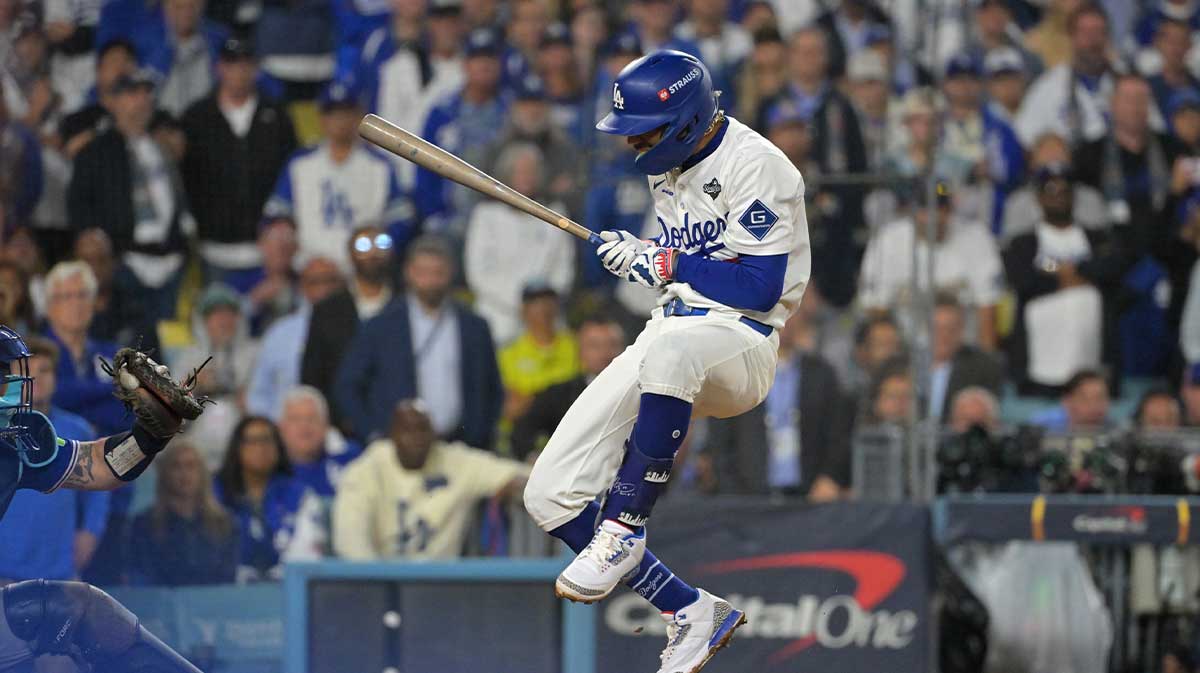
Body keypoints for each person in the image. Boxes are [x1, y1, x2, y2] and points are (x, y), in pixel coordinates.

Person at [524, 50, 810, 672]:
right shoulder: (668, 164)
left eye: (643, 132)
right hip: (672, 335)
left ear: (684, 120)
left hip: (744, 343)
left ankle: (625, 524)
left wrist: (668, 263)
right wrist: (645, 261)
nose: (633, 144)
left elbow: (759, 287)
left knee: (675, 349)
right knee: (549, 496)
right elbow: (679, 272)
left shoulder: (758, 165)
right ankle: (689, 611)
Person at [0, 324, 208, 673]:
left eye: (6, 374)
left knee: (85, 610)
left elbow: (98, 466)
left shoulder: (13, 446)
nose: (11, 386)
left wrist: (150, 434)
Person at [334, 235, 502, 447]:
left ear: (451, 273)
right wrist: (373, 434)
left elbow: (492, 388)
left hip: (462, 446)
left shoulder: (474, 327)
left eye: (438, 273)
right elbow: (348, 385)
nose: (431, 281)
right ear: (409, 273)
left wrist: (481, 434)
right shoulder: (381, 326)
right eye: (423, 273)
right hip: (399, 449)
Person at [66, 67, 193, 325]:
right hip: (124, 265)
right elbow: (78, 202)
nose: (142, 100)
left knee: (167, 350)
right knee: (131, 352)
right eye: (132, 93)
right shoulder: (96, 150)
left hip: (170, 263)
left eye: (146, 92)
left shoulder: (162, 148)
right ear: (114, 101)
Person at [333, 400, 528, 560]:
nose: (416, 438)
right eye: (407, 430)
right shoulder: (365, 470)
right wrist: (378, 586)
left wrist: (515, 484)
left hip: (439, 585)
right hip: (378, 581)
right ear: (392, 435)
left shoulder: (454, 461)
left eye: (423, 430)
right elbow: (350, 543)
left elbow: (521, 477)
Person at [181, 37, 298, 288]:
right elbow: (186, 178)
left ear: (256, 68)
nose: (239, 71)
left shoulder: (277, 116)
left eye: (245, 64)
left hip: (268, 253)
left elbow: (291, 176)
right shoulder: (196, 118)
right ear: (218, 67)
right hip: (215, 250)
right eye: (231, 63)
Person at [263, 79, 415, 271]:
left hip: (364, 270)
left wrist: (379, 245)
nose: (340, 121)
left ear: (358, 116)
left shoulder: (380, 165)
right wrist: (284, 238)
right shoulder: (300, 163)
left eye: (346, 112)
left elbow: (401, 219)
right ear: (321, 119)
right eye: (333, 113)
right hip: (311, 271)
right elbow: (277, 214)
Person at [1003, 163, 1126, 395]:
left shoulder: (1099, 238)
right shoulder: (1023, 243)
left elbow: (1112, 271)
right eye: (1050, 190)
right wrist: (1079, 277)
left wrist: (1059, 272)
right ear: (1038, 198)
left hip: (1092, 364)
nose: (1058, 196)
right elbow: (1024, 280)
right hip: (1039, 369)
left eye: (1065, 190)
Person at [704, 310, 850, 500]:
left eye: (790, 311)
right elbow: (720, 442)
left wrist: (830, 477)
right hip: (748, 500)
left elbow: (838, 434)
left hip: (810, 498)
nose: (782, 320)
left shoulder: (821, 374)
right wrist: (734, 494)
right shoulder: (733, 372)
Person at [0, 336, 107, 583]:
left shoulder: (78, 429)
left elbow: (98, 489)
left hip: (60, 573)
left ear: (56, 378)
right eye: (29, 370)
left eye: (45, 370)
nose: (37, 378)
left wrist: (91, 531)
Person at [464, 142, 574, 345]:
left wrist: (539, 305)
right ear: (507, 174)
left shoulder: (556, 214)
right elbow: (478, 274)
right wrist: (521, 303)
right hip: (497, 318)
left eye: (532, 171)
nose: (527, 176)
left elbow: (563, 271)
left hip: (546, 318)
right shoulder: (486, 216)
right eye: (520, 171)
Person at [300, 224, 397, 417]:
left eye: (381, 244)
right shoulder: (327, 310)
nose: (373, 252)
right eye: (363, 246)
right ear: (350, 254)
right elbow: (312, 374)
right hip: (341, 421)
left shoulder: (405, 304)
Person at [511, 317, 625, 461]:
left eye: (612, 345)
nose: (604, 353)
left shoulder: (641, 392)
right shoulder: (558, 394)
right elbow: (521, 432)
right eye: (594, 345)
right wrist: (537, 461)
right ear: (580, 352)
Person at [244, 255, 343, 420]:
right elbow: (257, 394)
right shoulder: (280, 333)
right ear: (303, 286)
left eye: (330, 281)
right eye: (315, 282)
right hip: (282, 428)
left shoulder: (359, 327)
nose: (324, 289)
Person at [128, 440, 238, 586]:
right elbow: (143, 576)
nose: (184, 473)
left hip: (214, 605)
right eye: (176, 466)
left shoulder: (225, 523)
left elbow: (229, 579)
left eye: (191, 466)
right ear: (165, 473)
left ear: (202, 473)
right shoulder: (144, 524)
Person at [212, 415, 307, 581]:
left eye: (267, 440)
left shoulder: (299, 494)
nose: (261, 447)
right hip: (226, 589)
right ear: (238, 448)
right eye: (253, 440)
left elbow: (308, 552)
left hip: (285, 589)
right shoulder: (214, 493)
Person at [1015, 3, 1115, 148]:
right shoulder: (1049, 87)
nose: (1092, 41)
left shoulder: (1126, 84)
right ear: (1071, 38)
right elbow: (1024, 138)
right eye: (1085, 33)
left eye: (1098, 32)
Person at [498, 285, 579, 423]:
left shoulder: (576, 346)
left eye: (548, 302)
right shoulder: (508, 354)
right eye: (535, 303)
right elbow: (510, 409)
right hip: (525, 433)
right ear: (523, 310)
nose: (543, 309)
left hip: (570, 427)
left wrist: (530, 397)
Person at [278, 386, 361, 497]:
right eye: (295, 419)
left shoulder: (351, 460)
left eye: (312, 419)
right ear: (281, 428)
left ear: (326, 426)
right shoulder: (271, 473)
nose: (304, 426)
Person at [1029, 368, 1113, 431]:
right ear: (1067, 401)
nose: (1094, 406)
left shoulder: (1114, 430)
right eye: (1085, 399)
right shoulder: (1041, 427)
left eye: (1100, 398)